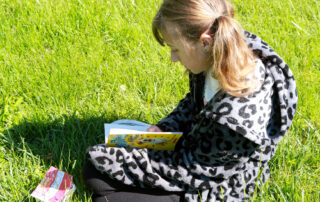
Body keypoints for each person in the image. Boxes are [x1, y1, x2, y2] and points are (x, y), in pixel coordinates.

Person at [82, 0, 298, 201]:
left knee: (100, 186)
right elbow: (193, 103)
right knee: (98, 177)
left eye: (175, 49)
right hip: (198, 150)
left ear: (204, 42)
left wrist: (115, 159)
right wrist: (164, 127)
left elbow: (191, 170)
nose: (173, 58)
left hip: (218, 182)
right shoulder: (218, 49)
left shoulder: (235, 120)